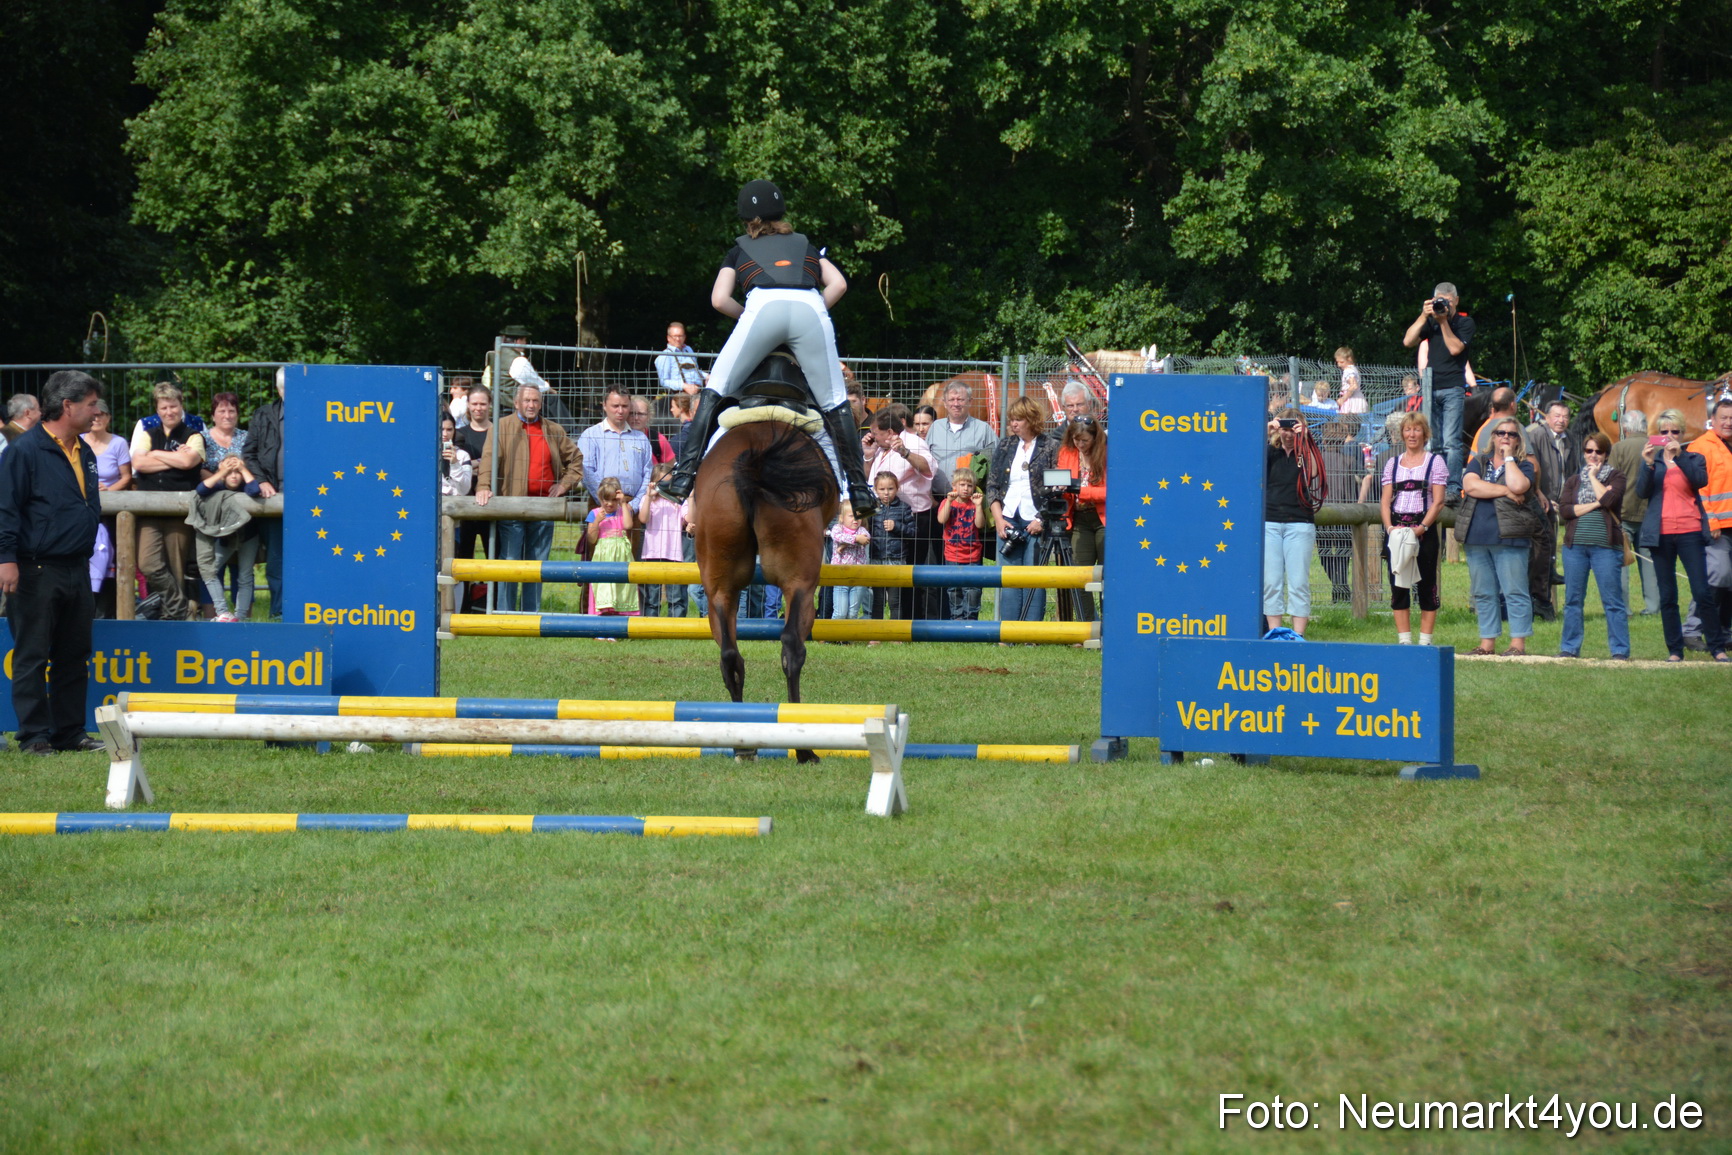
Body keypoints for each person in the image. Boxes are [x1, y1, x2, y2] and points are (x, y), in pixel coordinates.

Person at [657, 180, 874, 520]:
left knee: (714, 390)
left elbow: (718, 299)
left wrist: (751, 321)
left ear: (746, 218)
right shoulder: (805, 245)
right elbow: (839, 283)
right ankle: (859, 489)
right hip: (810, 310)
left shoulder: (739, 249)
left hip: (763, 309)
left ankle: (683, 477)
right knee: (835, 401)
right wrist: (815, 312)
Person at [0, 370, 104, 754]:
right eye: (91, 404)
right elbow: (5, 508)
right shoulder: (24, 451)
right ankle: (33, 736)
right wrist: (5, 558)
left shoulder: (84, 449)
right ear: (67, 405)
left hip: (77, 566)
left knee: (74, 656)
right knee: (32, 653)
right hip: (34, 568)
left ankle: (69, 732)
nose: (97, 411)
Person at [475, 383, 584, 613]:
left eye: (535, 400)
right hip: (512, 507)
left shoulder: (553, 430)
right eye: (526, 400)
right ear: (516, 403)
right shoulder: (501, 427)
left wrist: (564, 485)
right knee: (511, 562)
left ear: (541, 403)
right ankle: (505, 614)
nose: (531, 405)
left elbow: (576, 461)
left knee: (537, 565)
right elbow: (488, 460)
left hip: (544, 509)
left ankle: (530, 615)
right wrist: (483, 486)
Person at [1636, 409, 1727, 662]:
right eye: (1664, 432)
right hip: (1661, 535)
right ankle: (1675, 650)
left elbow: (1699, 480)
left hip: (1690, 532)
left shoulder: (1694, 458)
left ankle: (1717, 647)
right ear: (1657, 435)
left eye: (1674, 432)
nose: (1669, 436)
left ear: (1682, 434)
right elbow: (1642, 492)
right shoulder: (1652, 461)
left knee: (1702, 591)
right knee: (1668, 596)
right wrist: (1648, 464)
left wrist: (1679, 457)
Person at [1456, 417, 1536, 656]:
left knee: (1514, 591)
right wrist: (1504, 492)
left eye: (1511, 434)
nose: (1505, 437)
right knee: (1483, 591)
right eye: (1500, 433)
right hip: (1477, 535)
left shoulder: (1525, 465)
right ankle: (1487, 643)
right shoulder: (1479, 461)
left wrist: (1509, 457)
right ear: (1492, 437)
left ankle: (1517, 644)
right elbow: (1471, 486)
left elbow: (1519, 485)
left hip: (1510, 536)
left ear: (1518, 440)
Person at [131, 382, 206, 621]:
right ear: (157, 408)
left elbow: (188, 463)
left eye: (173, 406)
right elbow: (139, 464)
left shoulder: (194, 435)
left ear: (180, 406)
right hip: (149, 509)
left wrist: (155, 454)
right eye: (164, 407)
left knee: (176, 566)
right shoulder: (146, 433)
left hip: (178, 511)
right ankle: (180, 607)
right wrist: (174, 457)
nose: (169, 412)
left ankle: (173, 617)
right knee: (148, 563)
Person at [1556, 432, 1630, 659]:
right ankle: (1569, 648)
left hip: (1606, 548)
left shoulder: (1616, 477)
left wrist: (1595, 478)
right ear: (1584, 452)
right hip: (1574, 548)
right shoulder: (1573, 481)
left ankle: (1619, 651)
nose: (1594, 455)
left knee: (1613, 601)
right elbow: (1566, 511)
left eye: (1599, 451)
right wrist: (1596, 503)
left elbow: (1610, 501)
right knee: (1573, 600)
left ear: (1606, 454)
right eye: (1589, 451)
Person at [1402, 282, 1476, 502]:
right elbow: (1407, 341)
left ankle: (1453, 487)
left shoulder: (1465, 323)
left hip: (1453, 387)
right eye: (1439, 301)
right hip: (1431, 388)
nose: (1443, 305)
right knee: (1434, 442)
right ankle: (1436, 485)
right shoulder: (1431, 321)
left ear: (1456, 301)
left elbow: (1455, 348)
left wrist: (1443, 322)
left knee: (1451, 441)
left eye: (1447, 301)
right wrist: (1424, 316)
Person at [987, 396, 1058, 625]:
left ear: (1031, 420)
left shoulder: (1050, 446)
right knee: (1009, 578)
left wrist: (1042, 519)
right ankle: (1008, 632)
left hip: (1036, 520)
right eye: (1011, 420)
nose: (1013, 424)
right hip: (1008, 518)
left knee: (1034, 577)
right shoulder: (1005, 445)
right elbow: (993, 486)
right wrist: (998, 519)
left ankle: (1031, 633)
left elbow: (1058, 488)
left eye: (1018, 419)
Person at [1378, 413, 1447, 645]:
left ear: (1425, 434)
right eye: (1408, 430)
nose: (1412, 434)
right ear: (1402, 433)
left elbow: (1438, 501)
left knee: (1427, 584)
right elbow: (1385, 500)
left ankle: (1425, 641)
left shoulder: (1435, 462)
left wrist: (1422, 527)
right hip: (1397, 529)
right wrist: (1389, 529)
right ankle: (1404, 641)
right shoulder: (1392, 463)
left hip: (1423, 529)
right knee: (1398, 584)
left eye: (1417, 430)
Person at [866, 409, 936, 619]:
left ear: (889, 432)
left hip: (911, 516)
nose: (872, 437)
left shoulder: (913, 443)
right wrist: (868, 455)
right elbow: (870, 480)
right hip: (884, 517)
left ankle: (910, 622)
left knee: (909, 573)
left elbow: (929, 468)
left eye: (875, 433)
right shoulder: (881, 449)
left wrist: (905, 452)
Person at [187, 455, 263, 622]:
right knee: (210, 570)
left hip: (248, 535)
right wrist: (223, 472)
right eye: (230, 473)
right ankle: (222, 611)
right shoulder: (218, 486)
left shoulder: (246, 486)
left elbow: (255, 490)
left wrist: (243, 469)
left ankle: (241, 617)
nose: (234, 476)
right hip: (225, 536)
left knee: (245, 576)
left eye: (237, 473)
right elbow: (201, 489)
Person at [1263, 411, 1317, 638]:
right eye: (1284, 428)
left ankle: (1298, 634)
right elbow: (1248, 463)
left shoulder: (1306, 452)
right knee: (1271, 582)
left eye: (1291, 428)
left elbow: (1313, 473)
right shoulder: (1269, 451)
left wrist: (1304, 440)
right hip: (1270, 522)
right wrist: (1265, 431)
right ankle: (1275, 632)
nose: (1287, 434)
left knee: (1298, 582)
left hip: (1300, 522)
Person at [1684, 397, 1732, 648]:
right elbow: (1697, 489)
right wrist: (1710, 519)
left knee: (1729, 580)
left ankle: (1724, 632)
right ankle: (1692, 629)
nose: (1728, 422)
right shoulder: (1701, 446)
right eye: (1723, 418)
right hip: (1715, 526)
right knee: (1717, 575)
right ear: (1712, 420)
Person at [1525, 399, 1576, 622]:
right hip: (1538, 501)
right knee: (1536, 554)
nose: (1561, 420)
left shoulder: (1571, 439)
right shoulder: (1535, 435)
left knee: (1547, 552)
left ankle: (1544, 599)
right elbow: (1530, 468)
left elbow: (1573, 471)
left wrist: (1565, 498)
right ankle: (1536, 602)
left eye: (1565, 416)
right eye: (1556, 416)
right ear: (1547, 417)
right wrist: (1540, 494)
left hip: (1560, 503)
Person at [242, 367, 286, 619]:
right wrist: (260, 481)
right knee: (277, 560)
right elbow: (248, 453)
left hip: (313, 500)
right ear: (280, 390)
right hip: (272, 499)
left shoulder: (315, 414)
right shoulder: (263, 415)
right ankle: (279, 612)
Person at [1608, 409, 1660, 617]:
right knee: (1649, 562)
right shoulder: (1655, 447)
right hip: (1651, 513)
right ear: (1645, 426)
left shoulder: (1618, 448)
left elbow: (1611, 482)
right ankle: (1654, 606)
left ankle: (1624, 608)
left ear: (1626, 428)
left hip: (1623, 512)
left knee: (1622, 561)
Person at [1057, 415, 1106, 619]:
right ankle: (1087, 627)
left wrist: (1081, 490)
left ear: (1095, 438)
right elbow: (1062, 481)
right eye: (1077, 440)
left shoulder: (1107, 454)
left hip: (1103, 519)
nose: (1081, 444)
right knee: (1079, 576)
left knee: (1107, 577)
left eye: (1085, 440)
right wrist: (1061, 489)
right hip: (1079, 519)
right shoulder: (1067, 452)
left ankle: (1109, 628)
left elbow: (1111, 492)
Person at [579, 390, 651, 506]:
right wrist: (607, 502)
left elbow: (648, 473)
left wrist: (635, 505)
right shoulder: (591, 435)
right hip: (602, 507)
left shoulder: (640, 438)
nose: (620, 411)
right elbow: (586, 472)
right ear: (604, 405)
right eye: (615, 406)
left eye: (624, 406)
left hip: (632, 505)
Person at [636, 462, 686, 618]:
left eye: (669, 483)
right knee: (652, 594)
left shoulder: (678, 501)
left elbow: (689, 518)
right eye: (662, 483)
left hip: (674, 553)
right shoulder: (647, 499)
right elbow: (643, 518)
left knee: (676, 595)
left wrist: (689, 497)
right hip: (652, 552)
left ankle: (677, 627)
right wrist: (649, 496)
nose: (666, 486)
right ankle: (650, 626)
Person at [585, 477, 637, 617]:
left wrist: (623, 503)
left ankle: (622, 624)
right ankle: (601, 625)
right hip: (603, 557)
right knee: (603, 586)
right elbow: (591, 538)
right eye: (605, 500)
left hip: (621, 556)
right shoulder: (595, 514)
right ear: (600, 498)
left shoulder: (624, 510)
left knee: (622, 588)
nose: (609, 504)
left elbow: (627, 525)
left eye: (614, 500)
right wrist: (597, 522)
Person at [936, 471, 985, 620]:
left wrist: (978, 506)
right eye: (962, 485)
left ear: (974, 488)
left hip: (972, 555)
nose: (966, 489)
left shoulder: (974, 504)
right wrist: (949, 502)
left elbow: (980, 524)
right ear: (954, 486)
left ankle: (971, 619)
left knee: (972, 590)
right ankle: (956, 619)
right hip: (952, 554)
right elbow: (941, 519)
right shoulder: (947, 503)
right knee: (954, 588)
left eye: (969, 486)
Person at [867, 471, 913, 627]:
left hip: (896, 559)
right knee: (877, 599)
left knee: (895, 600)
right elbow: (860, 526)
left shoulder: (904, 508)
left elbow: (913, 532)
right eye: (882, 489)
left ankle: (896, 633)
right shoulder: (870, 507)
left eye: (890, 489)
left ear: (897, 488)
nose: (886, 493)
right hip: (876, 558)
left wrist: (897, 526)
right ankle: (876, 633)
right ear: (875, 489)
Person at [828, 505, 871, 624]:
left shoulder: (862, 530)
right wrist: (856, 539)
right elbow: (837, 537)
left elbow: (866, 538)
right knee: (840, 613)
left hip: (858, 577)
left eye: (858, 516)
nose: (855, 519)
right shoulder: (837, 528)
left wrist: (845, 545)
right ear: (842, 518)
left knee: (853, 613)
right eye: (851, 516)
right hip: (840, 577)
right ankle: (832, 637)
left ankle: (848, 640)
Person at [82, 400, 132, 492]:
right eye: (94, 414)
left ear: (108, 418)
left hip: (110, 499)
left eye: (100, 415)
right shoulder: (77, 440)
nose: (96, 419)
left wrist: (108, 490)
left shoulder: (119, 443)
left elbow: (126, 477)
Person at [654, 323, 707, 394]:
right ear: (668, 338)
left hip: (699, 391)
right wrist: (684, 386)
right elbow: (664, 382)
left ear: (685, 337)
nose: (678, 339)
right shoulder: (665, 356)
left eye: (680, 336)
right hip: (680, 394)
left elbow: (695, 370)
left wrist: (707, 376)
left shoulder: (688, 350)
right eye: (675, 336)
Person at [629, 395, 676, 465]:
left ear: (649, 416)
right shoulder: (616, 437)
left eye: (641, 414)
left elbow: (670, 468)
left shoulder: (658, 439)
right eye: (631, 413)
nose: (636, 418)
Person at [439, 412, 473, 498]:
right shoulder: (426, 455)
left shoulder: (463, 455)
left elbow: (464, 489)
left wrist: (455, 464)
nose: (445, 434)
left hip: (455, 505)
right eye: (441, 429)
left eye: (449, 429)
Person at [1335, 348, 1368, 414]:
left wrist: (1343, 399)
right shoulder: (1354, 369)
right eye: (1337, 362)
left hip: (1352, 402)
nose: (1339, 365)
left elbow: (1353, 386)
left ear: (1349, 359)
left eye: (1342, 362)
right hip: (1359, 399)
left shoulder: (1348, 370)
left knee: (1346, 422)